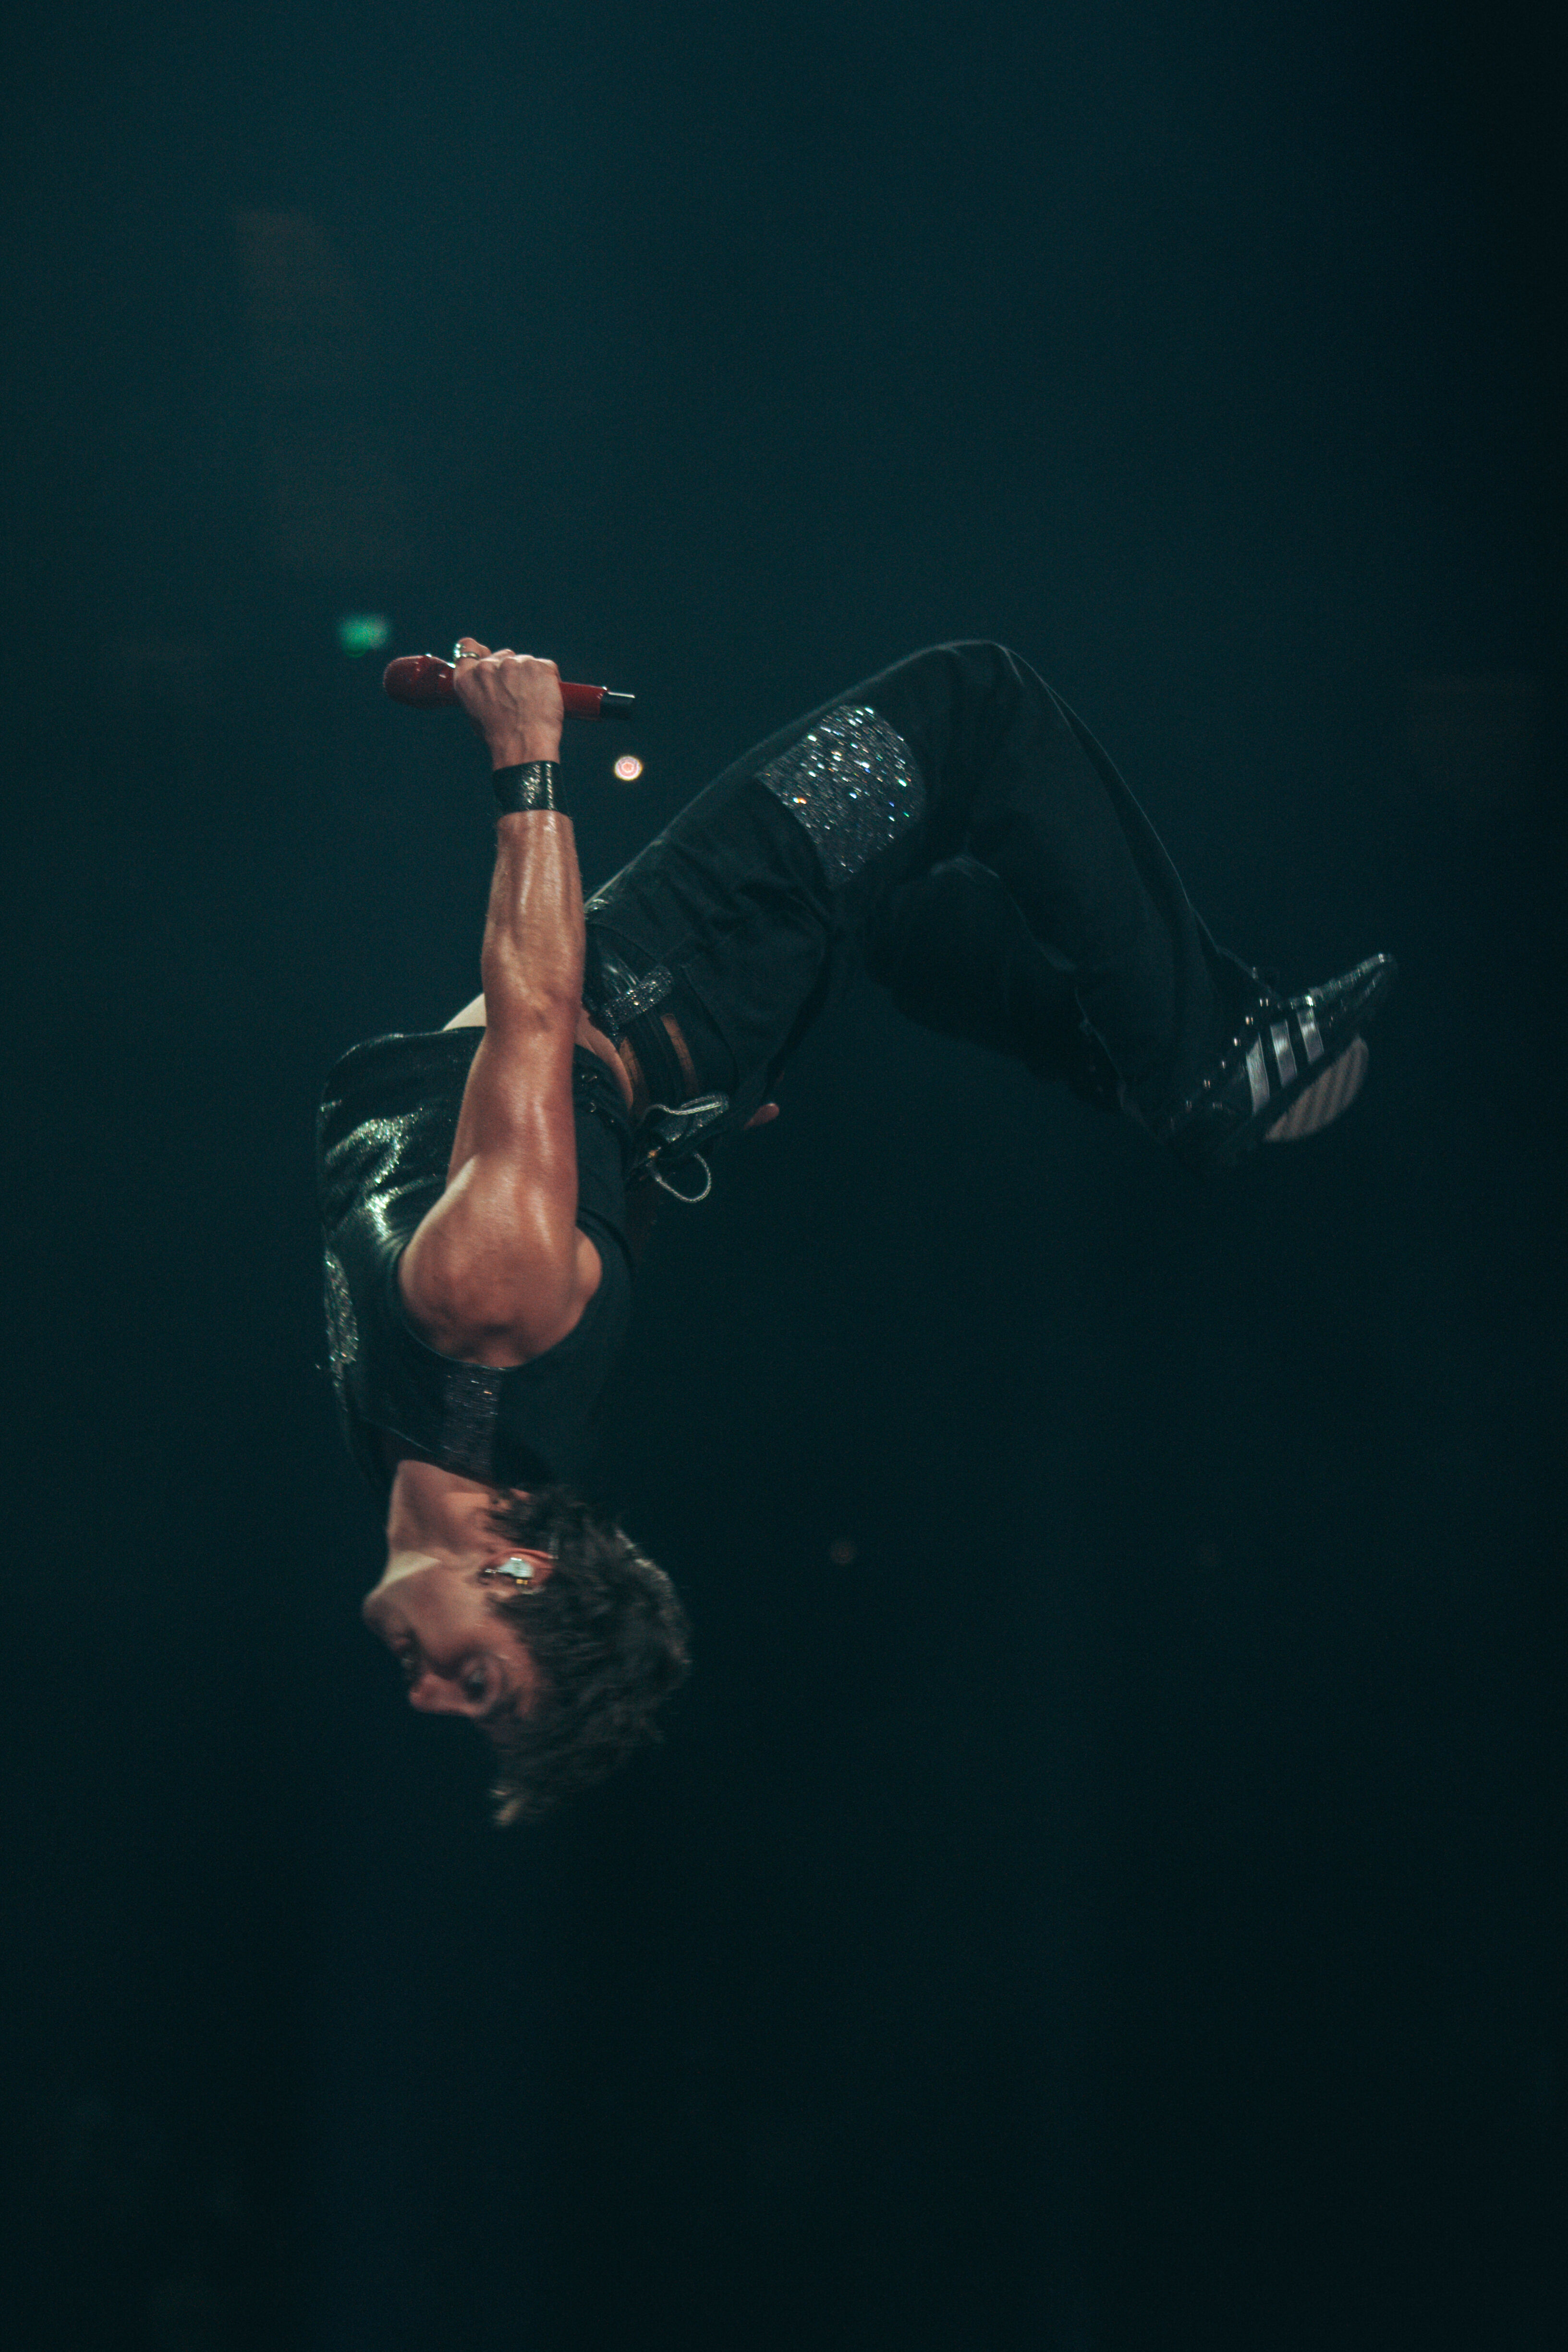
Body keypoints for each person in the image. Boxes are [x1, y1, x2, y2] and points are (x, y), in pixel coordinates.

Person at [318, 638, 1394, 1824]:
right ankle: (1206, 1066)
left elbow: (569, 1193)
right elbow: (534, 1010)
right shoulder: (484, 1316)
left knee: (899, 910)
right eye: (481, 1680)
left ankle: (1117, 1053)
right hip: (690, 974)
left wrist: (674, 1132)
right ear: (520, 1574)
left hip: (694, 1035)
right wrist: (525, 755)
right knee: (973, 711)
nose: (427, 1698)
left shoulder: (463, 1447)